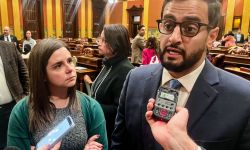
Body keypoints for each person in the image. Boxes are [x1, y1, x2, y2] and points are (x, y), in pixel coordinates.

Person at [111, 0, 250, 150]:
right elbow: (119, 144)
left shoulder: (243, 99)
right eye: (168, 26)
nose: (173, 38)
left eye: (190, 28)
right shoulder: (134, 79)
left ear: (211, 37)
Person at [7, 39, 108, 150]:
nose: (70, 69)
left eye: (69, 61)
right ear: (42, 75)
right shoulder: (21, 111)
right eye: (58, 66)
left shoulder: (91, 107)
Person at [84, 24, 134, 147]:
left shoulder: (125, 70)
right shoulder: (108, 63)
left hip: (112, 134)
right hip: (100, 126)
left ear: (115, 43)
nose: (99, 43)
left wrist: (91, 106)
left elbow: (120, 111)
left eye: (103, 40)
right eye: (99, 39)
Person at [0, 41, 29, 149]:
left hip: (11, 107)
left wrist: (25, 96)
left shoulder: (9, 47)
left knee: (15, 144)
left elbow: (24, 73)